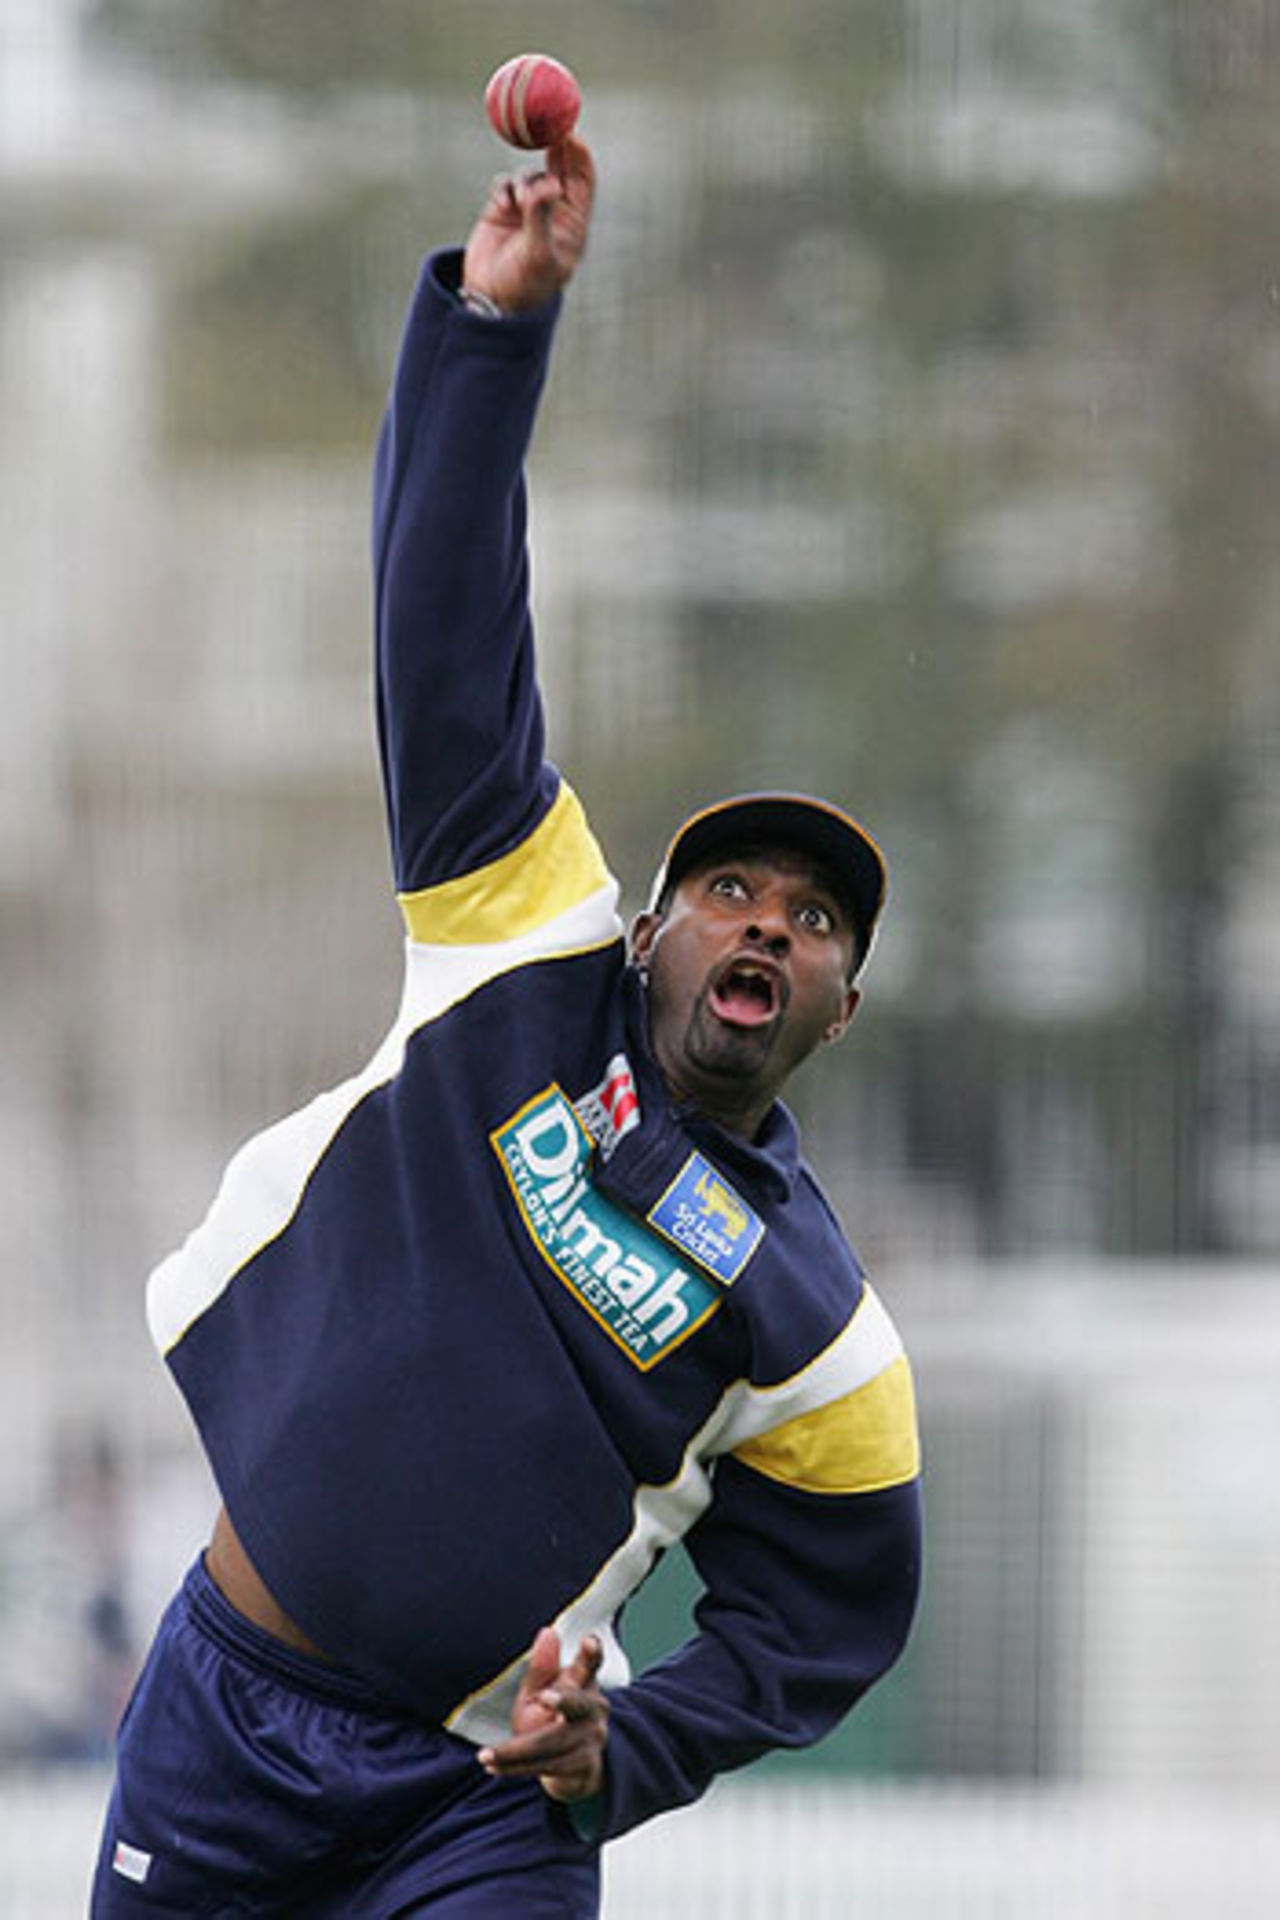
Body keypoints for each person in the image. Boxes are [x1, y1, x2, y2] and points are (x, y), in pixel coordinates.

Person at [92, 134, 922, 1918]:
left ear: (840, 1011)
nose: (768, 919)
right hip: (230, 1717)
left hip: (479, 1805)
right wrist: (492, 327)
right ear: (649, 928)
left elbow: (831, 1615)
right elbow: (449, 624)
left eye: (817, 918)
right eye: (732, 891)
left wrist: (630, 1748)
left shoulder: (820, 1327)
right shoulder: (524, 950)